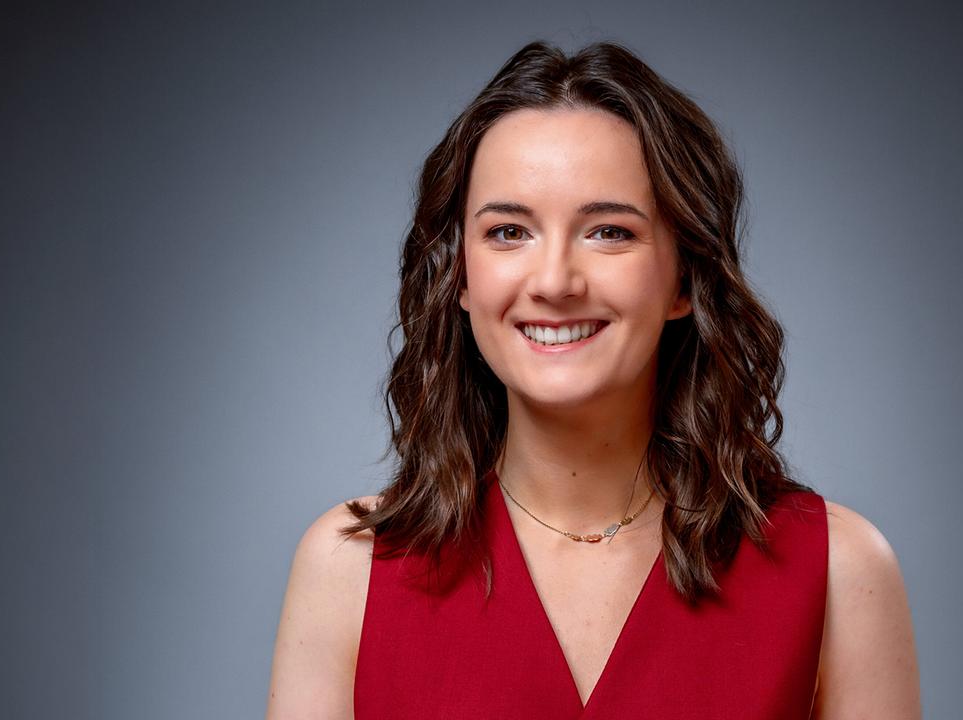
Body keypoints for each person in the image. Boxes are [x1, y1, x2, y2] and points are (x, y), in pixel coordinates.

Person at [266, 40, 920, 719]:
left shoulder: (839, 573)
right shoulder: (348, 570)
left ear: (685, 278)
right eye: (509, 232)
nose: (554, 282)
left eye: (609, 232)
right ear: (459, 275)